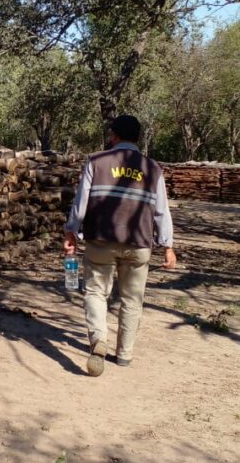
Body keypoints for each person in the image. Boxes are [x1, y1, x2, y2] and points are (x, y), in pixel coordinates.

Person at [63, 114, 178, 376]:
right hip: (139, 244)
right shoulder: (153, 168)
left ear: (114, 135)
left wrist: (71, 232)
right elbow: (161, 211)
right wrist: (167, 246)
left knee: (95, 292)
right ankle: (124, 355)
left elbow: (81, 202)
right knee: (132, 300)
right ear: (137, 138)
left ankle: (99, 339)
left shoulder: (98, 161)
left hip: (101, 240)